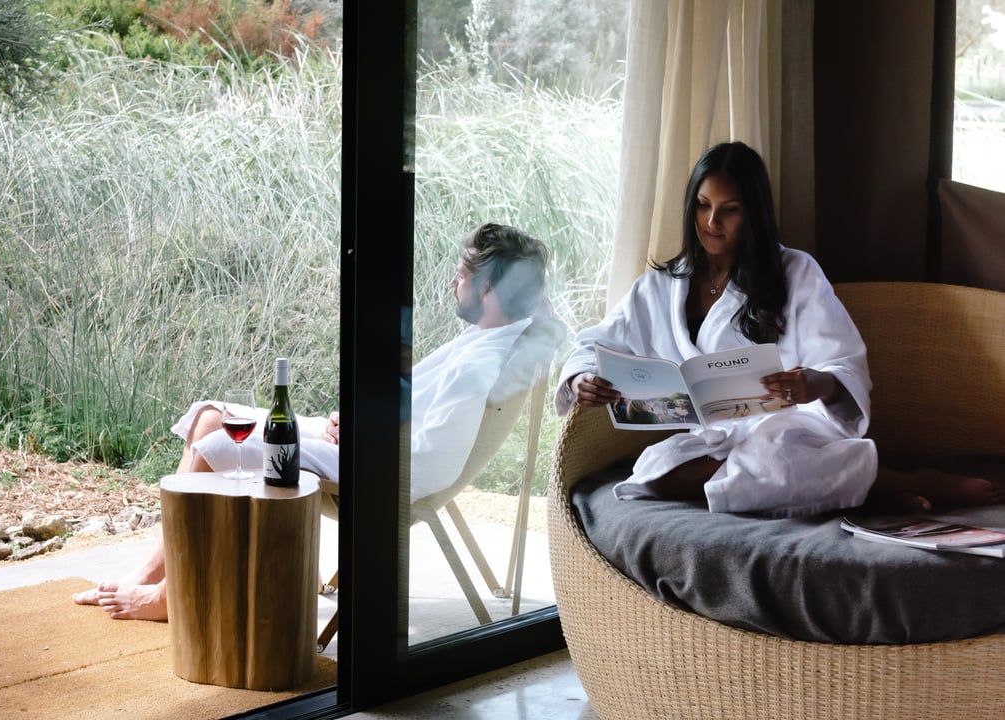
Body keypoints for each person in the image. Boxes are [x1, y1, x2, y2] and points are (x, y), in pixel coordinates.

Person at [74, 222, 554, 620]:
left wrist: (366, 438)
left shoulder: (480, 365)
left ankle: (167, 598)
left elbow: (431, 461)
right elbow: (419, 414)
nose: (454, 283)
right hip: (370, 449)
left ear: (489, 288)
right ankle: (146, 577)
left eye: (462, 275)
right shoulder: (492, 336)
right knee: (210, 416)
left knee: (215, 442)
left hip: (377, 474)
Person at [557, 140, 1004, 517]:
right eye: (703, 206)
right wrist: (581, 379)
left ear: (753, 214)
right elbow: (596, 341)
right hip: (712, 437)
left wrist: (816, 384)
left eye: (729, 210)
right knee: (658, 471)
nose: (712, 223)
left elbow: (842, 360)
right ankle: (867, 490)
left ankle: (908, 481)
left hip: (790, 428)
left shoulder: (795, 272)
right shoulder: (660, 285)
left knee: (777, 457)